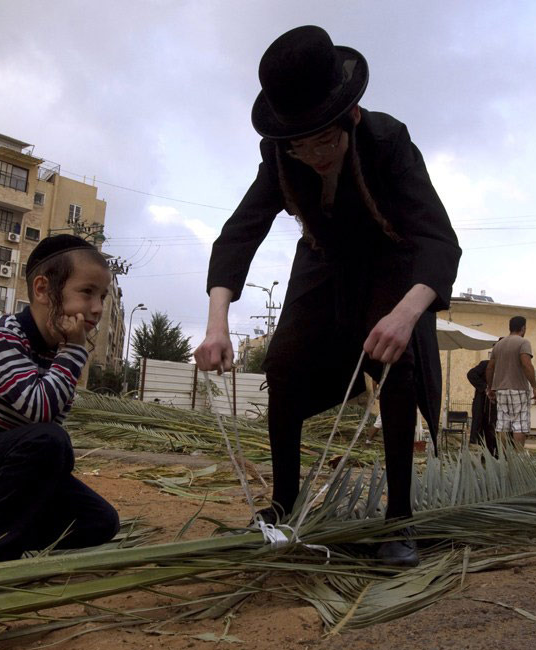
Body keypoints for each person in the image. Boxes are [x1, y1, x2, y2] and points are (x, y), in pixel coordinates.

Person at [194, 26, 461, 567]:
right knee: (285, 365)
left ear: (352, 117)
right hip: (322, 261)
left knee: (396, 365)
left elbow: (439, 239)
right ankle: (283, 504)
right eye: (299, 144)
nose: (311, 156)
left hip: (392, 260)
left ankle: (399, 519)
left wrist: (407, 314)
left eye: (323, 141)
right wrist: (216, 322)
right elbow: (240, 232)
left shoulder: (388, 143)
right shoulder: (282, 155)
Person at [0, 235, 121, 564]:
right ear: (43, 289)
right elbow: (40, 411)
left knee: (101, 522)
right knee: (50, 439)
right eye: (87, 292)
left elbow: (49, 425)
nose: (97, 308)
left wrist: (68, 353)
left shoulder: (58, 351)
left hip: (12, 472)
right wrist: (74, 351)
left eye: (102, 297)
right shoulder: (2, 334)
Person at [485, 317, 536, 447]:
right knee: (519, 425)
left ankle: (503, 457)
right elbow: (527, 365)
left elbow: (489, 368)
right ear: (523, 328)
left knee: (503, 425)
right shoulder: (523, 342)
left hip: (500, 390)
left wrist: (490, 388)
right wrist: (535, 387)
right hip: (519, 389)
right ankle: (518, 459)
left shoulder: (498, 345)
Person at [467, 359, 497, 455]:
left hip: (497, 406)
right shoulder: (485, 364)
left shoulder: (507, 367)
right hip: (482, 404)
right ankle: (481, 455)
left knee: (493, 430)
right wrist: (485, 388)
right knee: (481, 429)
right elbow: (471, 374)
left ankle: (494, 454)